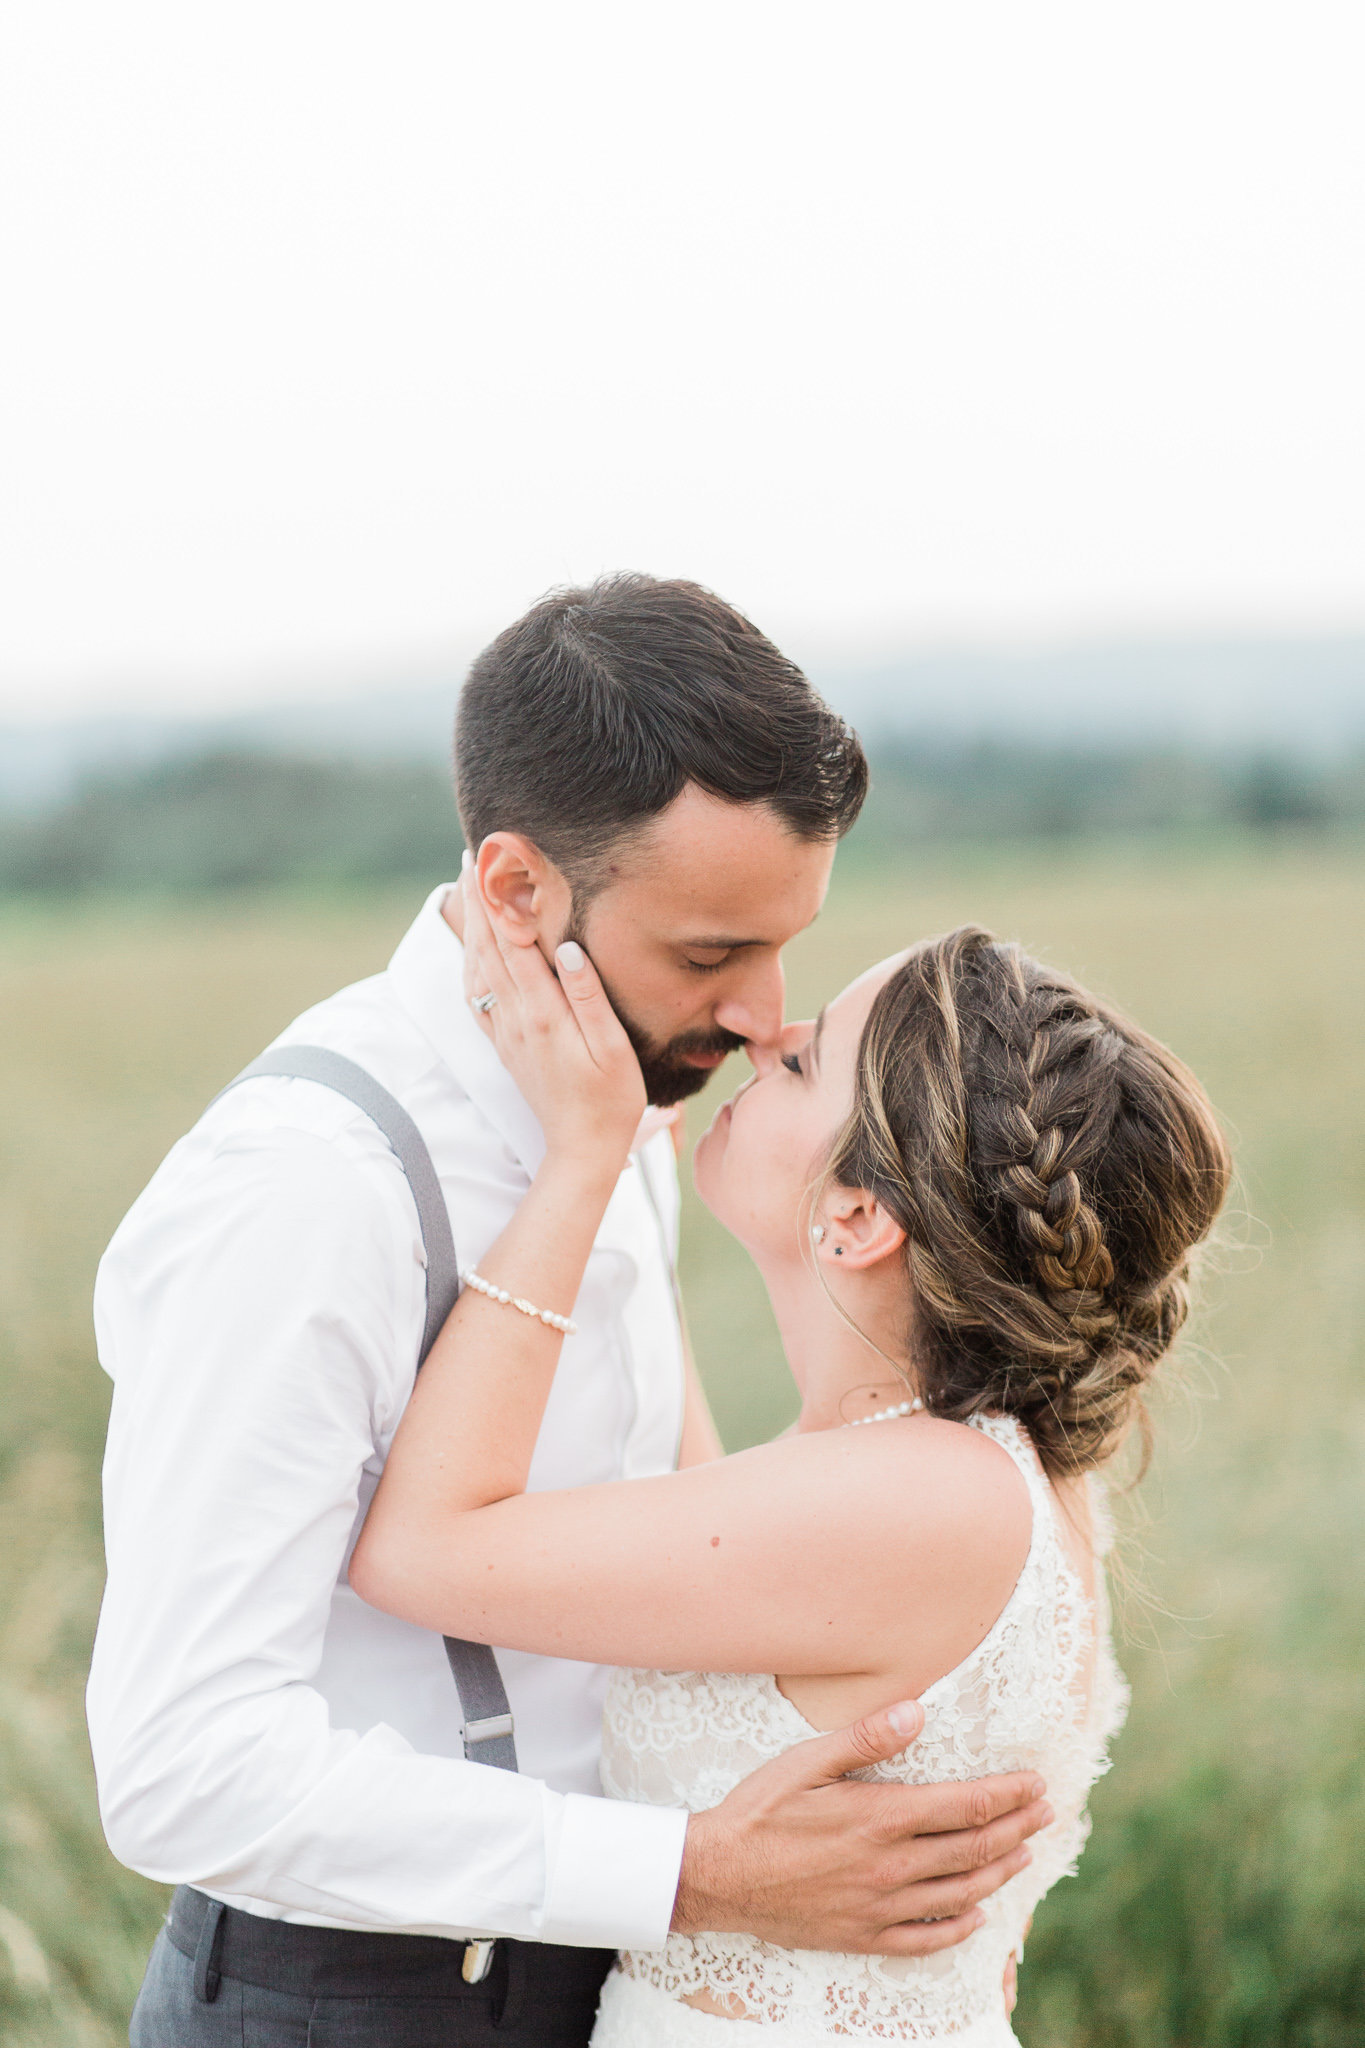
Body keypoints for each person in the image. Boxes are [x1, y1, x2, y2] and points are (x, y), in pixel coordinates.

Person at [89, 575, 1050, 2048]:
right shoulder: (305, 1191)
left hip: (618, 1978)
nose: (758, 1019)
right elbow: (182, 1766)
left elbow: (675, 1502)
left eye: (784, 944)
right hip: (355, 2003)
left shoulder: (623, 1105)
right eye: (709, 955)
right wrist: (689, 1874)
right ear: (518, 890)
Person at [349, 872, 1232, 2044]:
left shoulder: (919, 1498)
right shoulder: (929, 1469)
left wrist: (577, 1160)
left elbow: (421, 1548)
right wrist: (623, 1163)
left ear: (861, 1216)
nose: (766, 1037)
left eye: (807, 1062)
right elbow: (693, 1509)